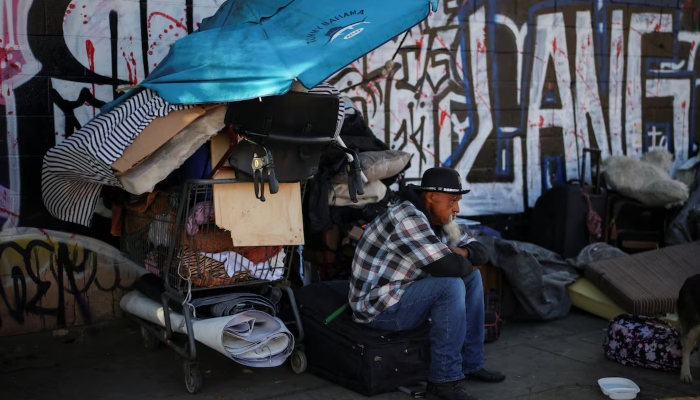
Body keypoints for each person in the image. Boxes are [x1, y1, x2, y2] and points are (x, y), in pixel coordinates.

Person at [349, 167, 505, 400]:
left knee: (471, 276)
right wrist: (460, 258)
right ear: (431, 196)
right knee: (451, 285)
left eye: (458, 201)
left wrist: (460, 252)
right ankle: (444, 381)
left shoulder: (438, 218)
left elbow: (481, 252)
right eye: (453, 200)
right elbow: (450, 268)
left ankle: (472, 363)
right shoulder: (407, 218)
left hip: (404, 293)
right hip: (378, 309)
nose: (457, 208)